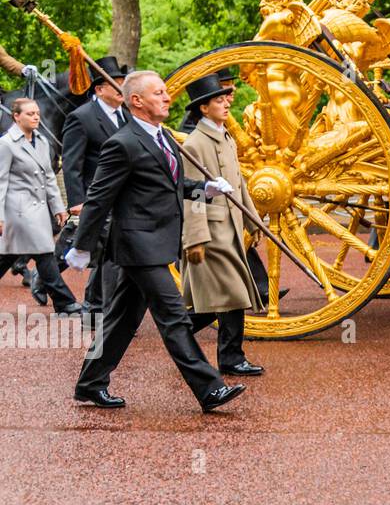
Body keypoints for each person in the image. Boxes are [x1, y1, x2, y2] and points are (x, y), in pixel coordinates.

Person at [65, 71, 245, 412]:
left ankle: (90, 384)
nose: (167, 98)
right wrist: (82, 245)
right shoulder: (123, 143)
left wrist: (202, 189)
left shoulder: (162, 137)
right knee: (174, 316)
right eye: (159, 93)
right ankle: (209, 389)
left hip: (156, 242)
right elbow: (100, 197)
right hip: (138, 245)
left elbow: (169, 185)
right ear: (137, 101)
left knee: (121, 321)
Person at [179, 75, 265, 376]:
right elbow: (193, 196)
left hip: (231, 228)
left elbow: (238, 184)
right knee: (233, 293)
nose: (227, 102)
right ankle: (231, 357)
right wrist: (196, 238)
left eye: (226, 97)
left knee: (219, 299)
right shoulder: (194, 144)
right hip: (212, 233)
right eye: (219, 100)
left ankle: (178, 335)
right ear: (203, 108)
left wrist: (254, 221)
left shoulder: (225, 137)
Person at [60, 55, 130, 322]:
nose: (121, 88)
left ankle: (93, 307)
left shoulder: (126, 116)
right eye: (116, 84)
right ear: (99, 89)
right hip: (94, 195)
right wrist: (77, 201)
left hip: (121, 196)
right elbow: (71, 163)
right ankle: (104, 310)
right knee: (104, 252)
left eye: (123, 83)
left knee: (107, 253)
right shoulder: (81, 117)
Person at [0, 98, 80, 315]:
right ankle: (66, 303)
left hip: (37, 210)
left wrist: (58, 208)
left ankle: (65, 303)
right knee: (44, 252)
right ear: (16, 116)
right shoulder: (6, 144)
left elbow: (49, 179)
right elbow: (1, 182)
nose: (36, 117)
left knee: (8, 254)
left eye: (37, 113)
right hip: (16, 211)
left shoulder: (43, 142)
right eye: (29, 114)